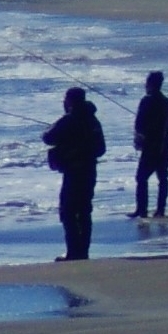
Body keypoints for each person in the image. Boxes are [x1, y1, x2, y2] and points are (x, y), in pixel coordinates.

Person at [42, 86, 107, 261]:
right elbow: (101, 149)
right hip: (89, 171)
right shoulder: (93, 120)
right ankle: (83, 251)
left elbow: (47, 137)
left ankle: (73, 252)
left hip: (73, 171)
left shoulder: (69, 120)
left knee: (68, 211)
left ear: (70, 101)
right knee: (84, 211)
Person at [131, 71, 168, 218]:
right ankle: (160, 209)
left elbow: (139, 125)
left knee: (141, 178)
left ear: (150, 84)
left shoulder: (146, 101)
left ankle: (141, 210)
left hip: (151, 144)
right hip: (165, 143)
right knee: (162, 176)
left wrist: (139, 140)